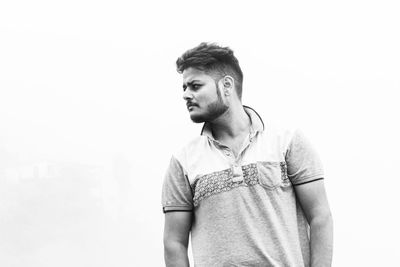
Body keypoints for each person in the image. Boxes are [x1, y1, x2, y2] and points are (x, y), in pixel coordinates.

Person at [162, 42, 333, 267]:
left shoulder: (286, 142)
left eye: (195, 86)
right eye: (184, 88)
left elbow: (320, 217)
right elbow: (174, 242)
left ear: (226, 85)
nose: (186, 94)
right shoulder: (183, 162)